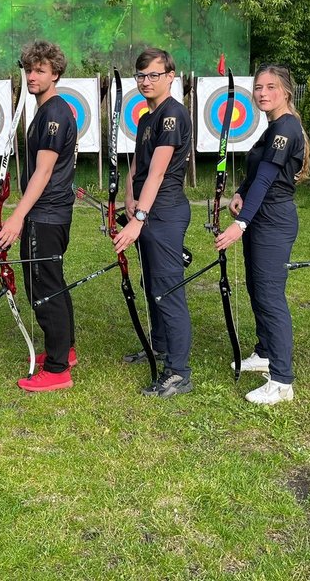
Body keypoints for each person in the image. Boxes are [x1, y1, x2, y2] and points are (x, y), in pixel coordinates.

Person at [215, 64, 310, 405]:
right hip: (261, 214)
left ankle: (282, 381)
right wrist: (239, 192)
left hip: (274, 219)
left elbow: (268, 179)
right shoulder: (272, 128)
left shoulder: (286, 128)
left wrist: (240, 225)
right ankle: (265, 352)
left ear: (286, 91)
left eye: (270, 87)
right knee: (257, 288)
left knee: (270, 296)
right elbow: (256, 171)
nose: (262, 93)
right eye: (258, 87)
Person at [0, 41, 78, 392]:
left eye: (40, 70)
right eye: (29, 69)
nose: (32, 76)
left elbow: (43, 172)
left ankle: (58, 370)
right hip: (47, 212)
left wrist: (17, 218)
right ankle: (65, 350)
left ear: (55, 73)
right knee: (51, 283)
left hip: (45, 215)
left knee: (44, 288)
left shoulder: (55, 112)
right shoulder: (45, 110)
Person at [113, 48, 194, 398]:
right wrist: (128, 199)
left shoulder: (173, 114)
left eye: (154, 75)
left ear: (171, 76)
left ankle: (179, 372)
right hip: (148, 208)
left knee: (168, 290)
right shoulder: (148, 117)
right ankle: (160, 346)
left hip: (164, 211)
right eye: (141, 76)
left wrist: (139, 218)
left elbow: (159, 170)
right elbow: (139, 165)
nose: (146, 82)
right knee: (153, 286)